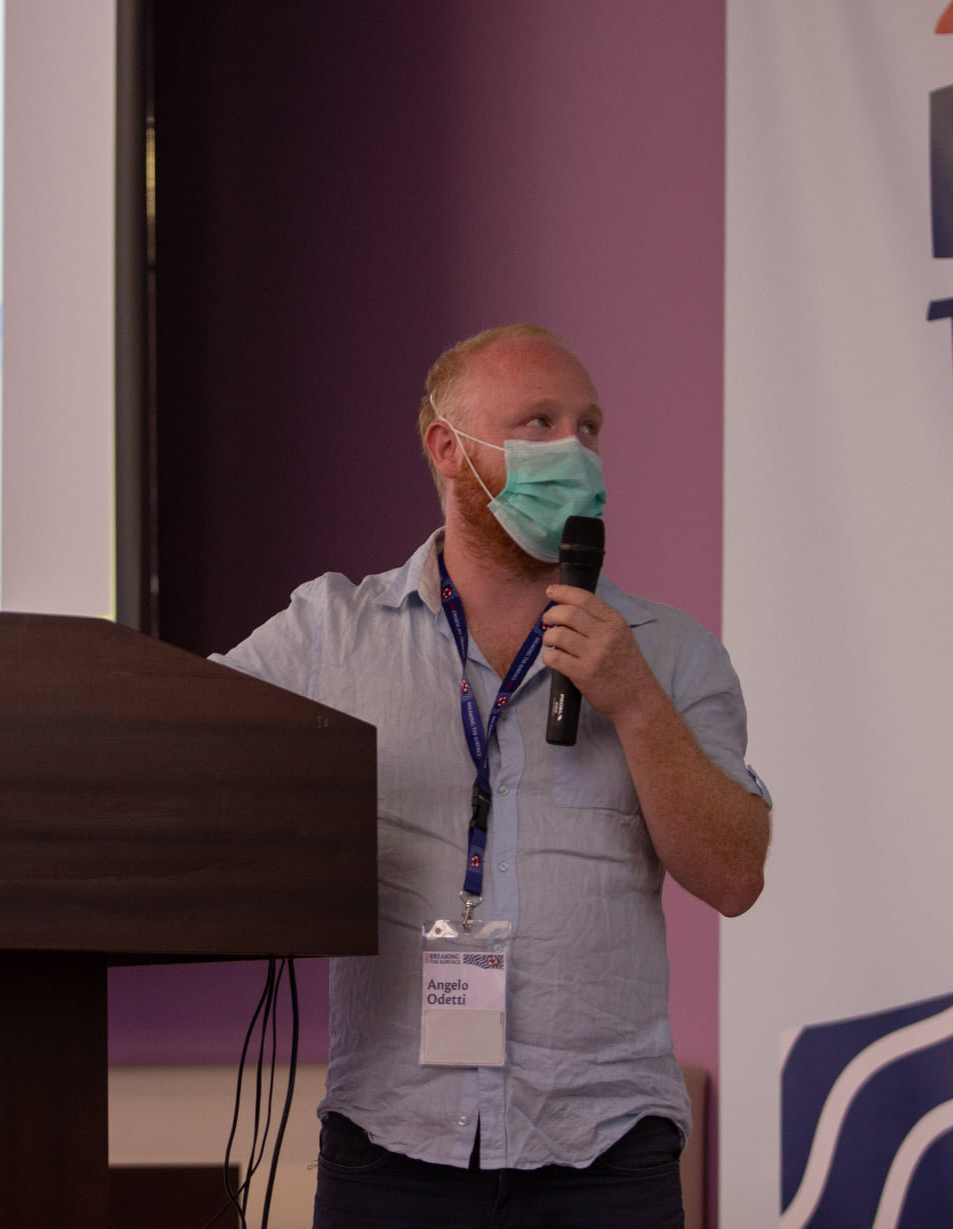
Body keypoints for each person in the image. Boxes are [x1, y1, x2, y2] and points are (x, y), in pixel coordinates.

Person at [213, 324, 772, 1228]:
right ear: (448, 448)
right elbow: (174, 748)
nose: (575, 452)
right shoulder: (329, 635)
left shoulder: (670, 653)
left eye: (588, 427)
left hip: (604, 1151)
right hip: (390, 1148)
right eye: (538, 422)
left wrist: (635, 704)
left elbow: (734, 874)